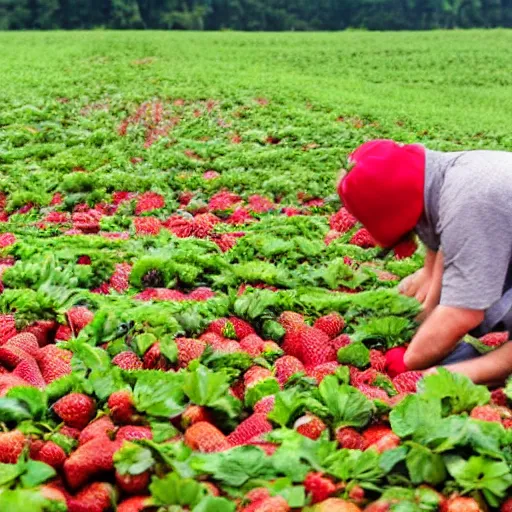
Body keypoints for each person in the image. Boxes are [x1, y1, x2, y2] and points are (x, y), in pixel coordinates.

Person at [338, 139, 512, 385]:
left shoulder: (469, 202)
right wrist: (422, 320)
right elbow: (440, 257)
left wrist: (408, 363)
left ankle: (485, 370)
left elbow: (462, 314)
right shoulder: (443, 175)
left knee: (452, 369)